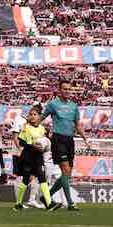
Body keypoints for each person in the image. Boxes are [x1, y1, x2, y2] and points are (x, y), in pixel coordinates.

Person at [41, 79, 90, 211]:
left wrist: (85, 138)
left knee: (67, 174)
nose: (67, 91)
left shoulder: (74, 106)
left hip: (70, 140)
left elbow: (77, 124)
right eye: (65, 89)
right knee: (66, 171)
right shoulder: (53, 105)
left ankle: (47, 196)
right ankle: (70, 203)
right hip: (58, 139)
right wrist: (32, 124)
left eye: (69, 89)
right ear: (59, 90)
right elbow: (42, 117)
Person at [13, 106, 60, 211]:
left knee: (41, 177)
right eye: (31, 115)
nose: (33, 116)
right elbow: (21, 142)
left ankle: (49, 204)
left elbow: (43, 143)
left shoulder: (42, 129)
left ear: (39, 116)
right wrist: (32, 144)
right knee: (25, 179)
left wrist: (43, 147)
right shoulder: (26, 128)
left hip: (38, 156)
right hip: (28, 156)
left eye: (35, 114)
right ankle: (18, 203)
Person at [10, 110, 41, 209]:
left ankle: (32, 200)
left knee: (34, 175)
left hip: (30, 153)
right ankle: (18, 202)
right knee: (20, 177)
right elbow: (15, 137)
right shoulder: (19, 119)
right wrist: (20, 150)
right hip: (19, 152)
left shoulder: (33, 123)